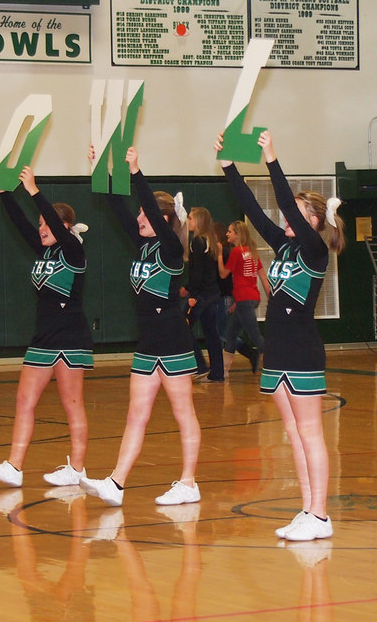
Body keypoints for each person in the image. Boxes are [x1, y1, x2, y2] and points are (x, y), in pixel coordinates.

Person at [216, 130, 345, 542]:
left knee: (310, 432)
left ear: (314, 222)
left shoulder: (314, 250)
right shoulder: (284, 248)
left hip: (303, 349)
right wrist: (229, 168)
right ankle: (306, 509)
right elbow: (255, 212)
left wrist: (272, 158)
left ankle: (321, 514)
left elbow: (282, 200)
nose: (287, 217)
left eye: (298, 213)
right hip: (278, 350)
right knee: (292, 434)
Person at [80, 145, 203, 507]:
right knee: (136, 415)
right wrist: (100, 173)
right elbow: (119, 210)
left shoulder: (169, 249)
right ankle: (116, 483)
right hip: (147, 343)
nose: (138, 219)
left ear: (163, 220)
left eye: (145, 216)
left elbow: (147, 205)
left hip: (174, 341)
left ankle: (189, 482)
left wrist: (136, 171)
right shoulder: (143, 246)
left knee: (184, 414)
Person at [0, 165, 93, 488]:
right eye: (41, 224)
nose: (41, 228)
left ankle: (78, 468)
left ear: (65, 227)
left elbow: (52, 220)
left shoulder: (74, 251)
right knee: (24, 400)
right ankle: (14, 466)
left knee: (72, 404)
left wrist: (34, 190)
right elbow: (20, 223)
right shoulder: (44, 251)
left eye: (47, 223)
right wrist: (3, 191)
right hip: (43, 337)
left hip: (70, 336)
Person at [217, 220, 266, 376]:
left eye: (230, 231)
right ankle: (223, 371)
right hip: (250, 298)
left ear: (237, 235)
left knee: (254, 335)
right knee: (231, 334)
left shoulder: (237, 252)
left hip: (245, 299)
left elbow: (223, 274)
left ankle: (276, 363)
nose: (227, 234)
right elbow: (263, 278)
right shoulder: (251, 251)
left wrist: (219, 255)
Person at [182, 206, 225, 382]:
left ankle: (199, 366)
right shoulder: (209, 241)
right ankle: (217, 373)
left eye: (190, 218)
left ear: (198, 221)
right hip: (212, 294)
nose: (188, 221)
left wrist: (192, 293)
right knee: (211, 333)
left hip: (201, 295)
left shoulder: (198, 241)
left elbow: (197, 272)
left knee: (182, 327)